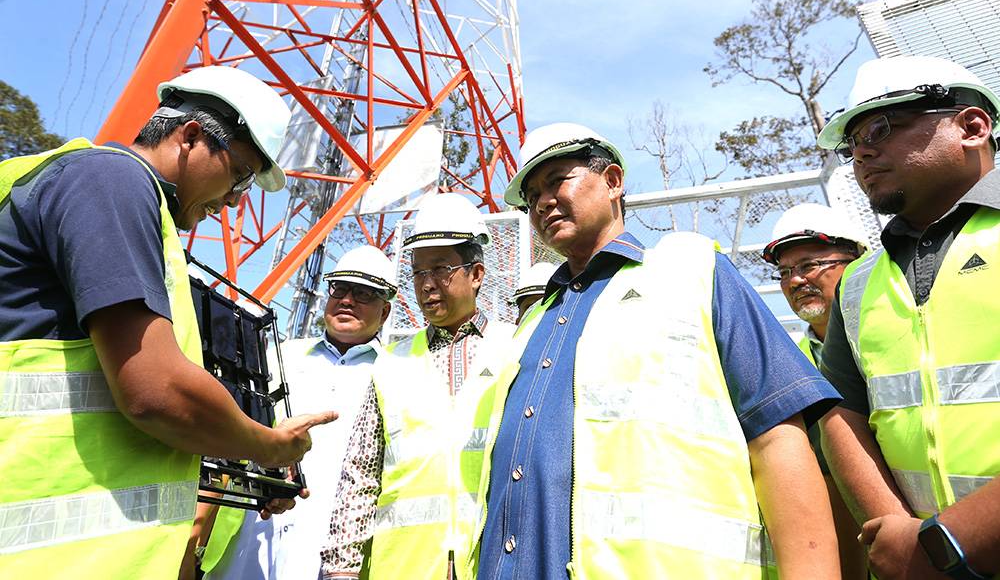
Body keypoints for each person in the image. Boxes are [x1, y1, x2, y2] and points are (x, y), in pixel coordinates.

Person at [0, 65, 336, 580]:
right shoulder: (111, 181)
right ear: (193, 137)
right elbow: (155, 394)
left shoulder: (135, 208)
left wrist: (248, 473)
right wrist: (267, 445)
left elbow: (112, 420)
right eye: (241, 176)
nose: (234, 201)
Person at [473, 122, 842, 579]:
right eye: (531, 197)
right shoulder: (530, 325)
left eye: (556, 181)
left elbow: (777, 437)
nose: (542, 202)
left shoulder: (691, 270)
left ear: (612, 181)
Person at [816, 56, 1000, 580]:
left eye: (880, 127)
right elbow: (842, 413)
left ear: (971, 127)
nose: (861, 153)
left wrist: (945, 543)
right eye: (851, 144)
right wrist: (897, 533)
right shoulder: (858, 280)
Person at [320, 193, 515, 580]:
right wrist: (340, 569)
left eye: (441, 270)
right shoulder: (391, 362)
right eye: (418, 273)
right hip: (402, 567)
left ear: (476, 274)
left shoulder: (515, 347)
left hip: (491, 562)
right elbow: (360, 474)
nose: (427, 285)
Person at [196, 245, 397, 580]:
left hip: (335, 560)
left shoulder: (395, 372)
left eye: (364, 293)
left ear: (386, 311)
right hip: (253, 544)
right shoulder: (278, 357)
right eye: (340, 288)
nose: (347, 300)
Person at [762, 203, 868, 579]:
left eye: (808, 266)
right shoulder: (792, 363)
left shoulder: (892, 336)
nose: (794, 281)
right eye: (785, 272)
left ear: (856, 261)